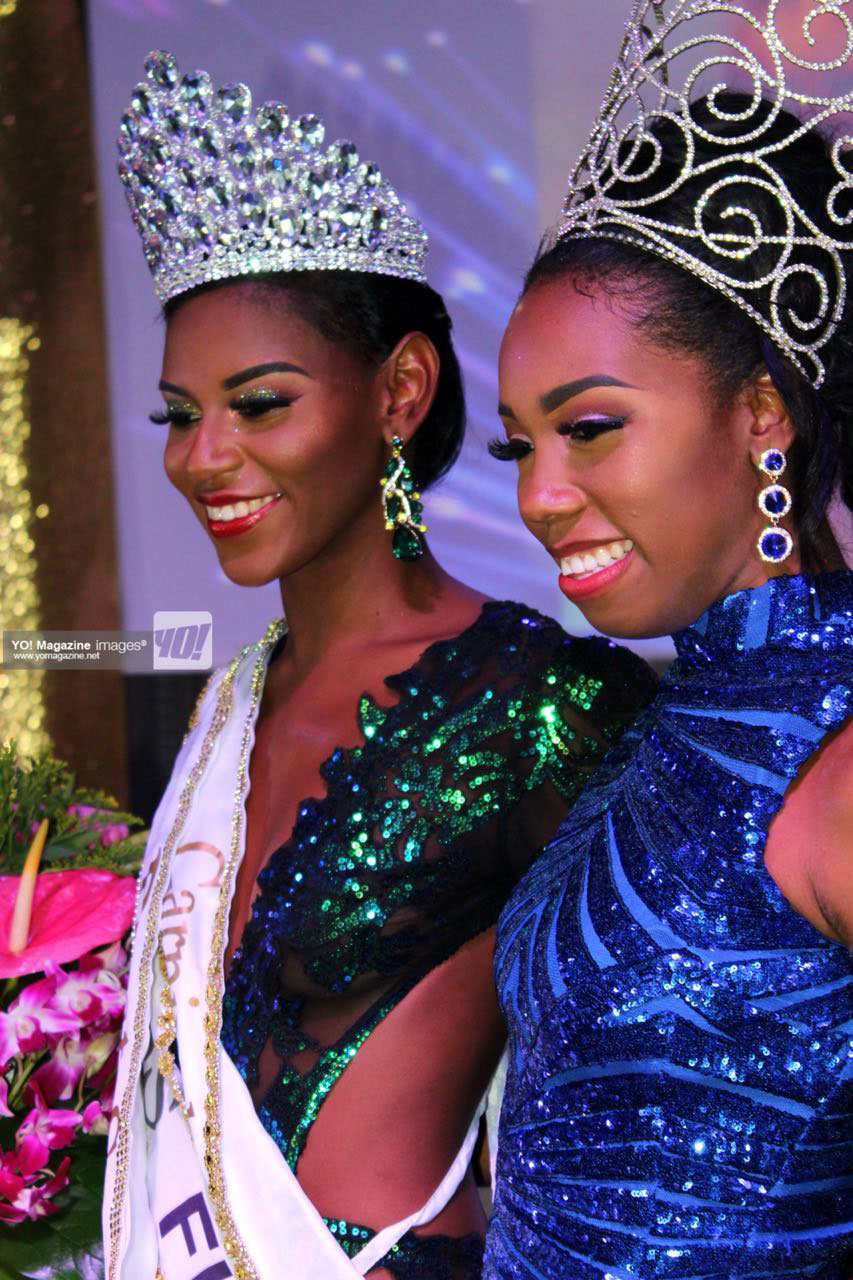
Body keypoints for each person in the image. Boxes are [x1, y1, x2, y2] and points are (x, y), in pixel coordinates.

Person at [102, 52, 656, 1280]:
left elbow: (657, 1057)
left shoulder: (538, 704)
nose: (204, 457)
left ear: (398, 390)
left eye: (258, 402)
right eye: (178, 414)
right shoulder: (228, 704)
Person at [483, 2, 853, 1277]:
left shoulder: (839, 756)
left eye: (587, 427)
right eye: (518, 442)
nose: (536, 490)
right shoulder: (657, 732)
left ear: (762, 414)